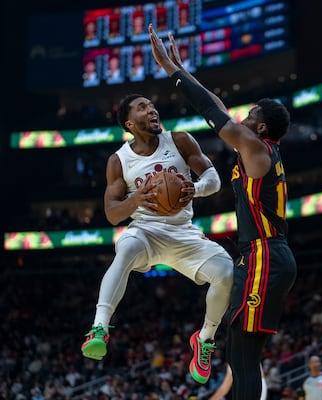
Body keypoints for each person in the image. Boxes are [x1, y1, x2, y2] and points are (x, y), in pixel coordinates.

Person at [149, 25, 297, 400]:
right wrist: (184, 71)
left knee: (243, 351)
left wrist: (173, 73)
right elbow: (220, 107)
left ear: (260, 127)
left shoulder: (256, 146)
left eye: (249, 116)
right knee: (239, 350)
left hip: (266, 253)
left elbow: (213, 113)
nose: (240, 120)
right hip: (262, 255)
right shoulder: (256, 149)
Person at [80, 93, 234, 386]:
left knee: (227, 273)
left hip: (184, 233)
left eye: (152, 104)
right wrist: (135, 199)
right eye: (142, 107)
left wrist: (196, 188)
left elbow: (214, 180)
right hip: (146, 232)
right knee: (125, 247)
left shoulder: (180, 140)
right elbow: (112, 214)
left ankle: (205, 339)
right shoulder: (119, 160)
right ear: (129, 123)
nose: (151, 109)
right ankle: (99, 328)